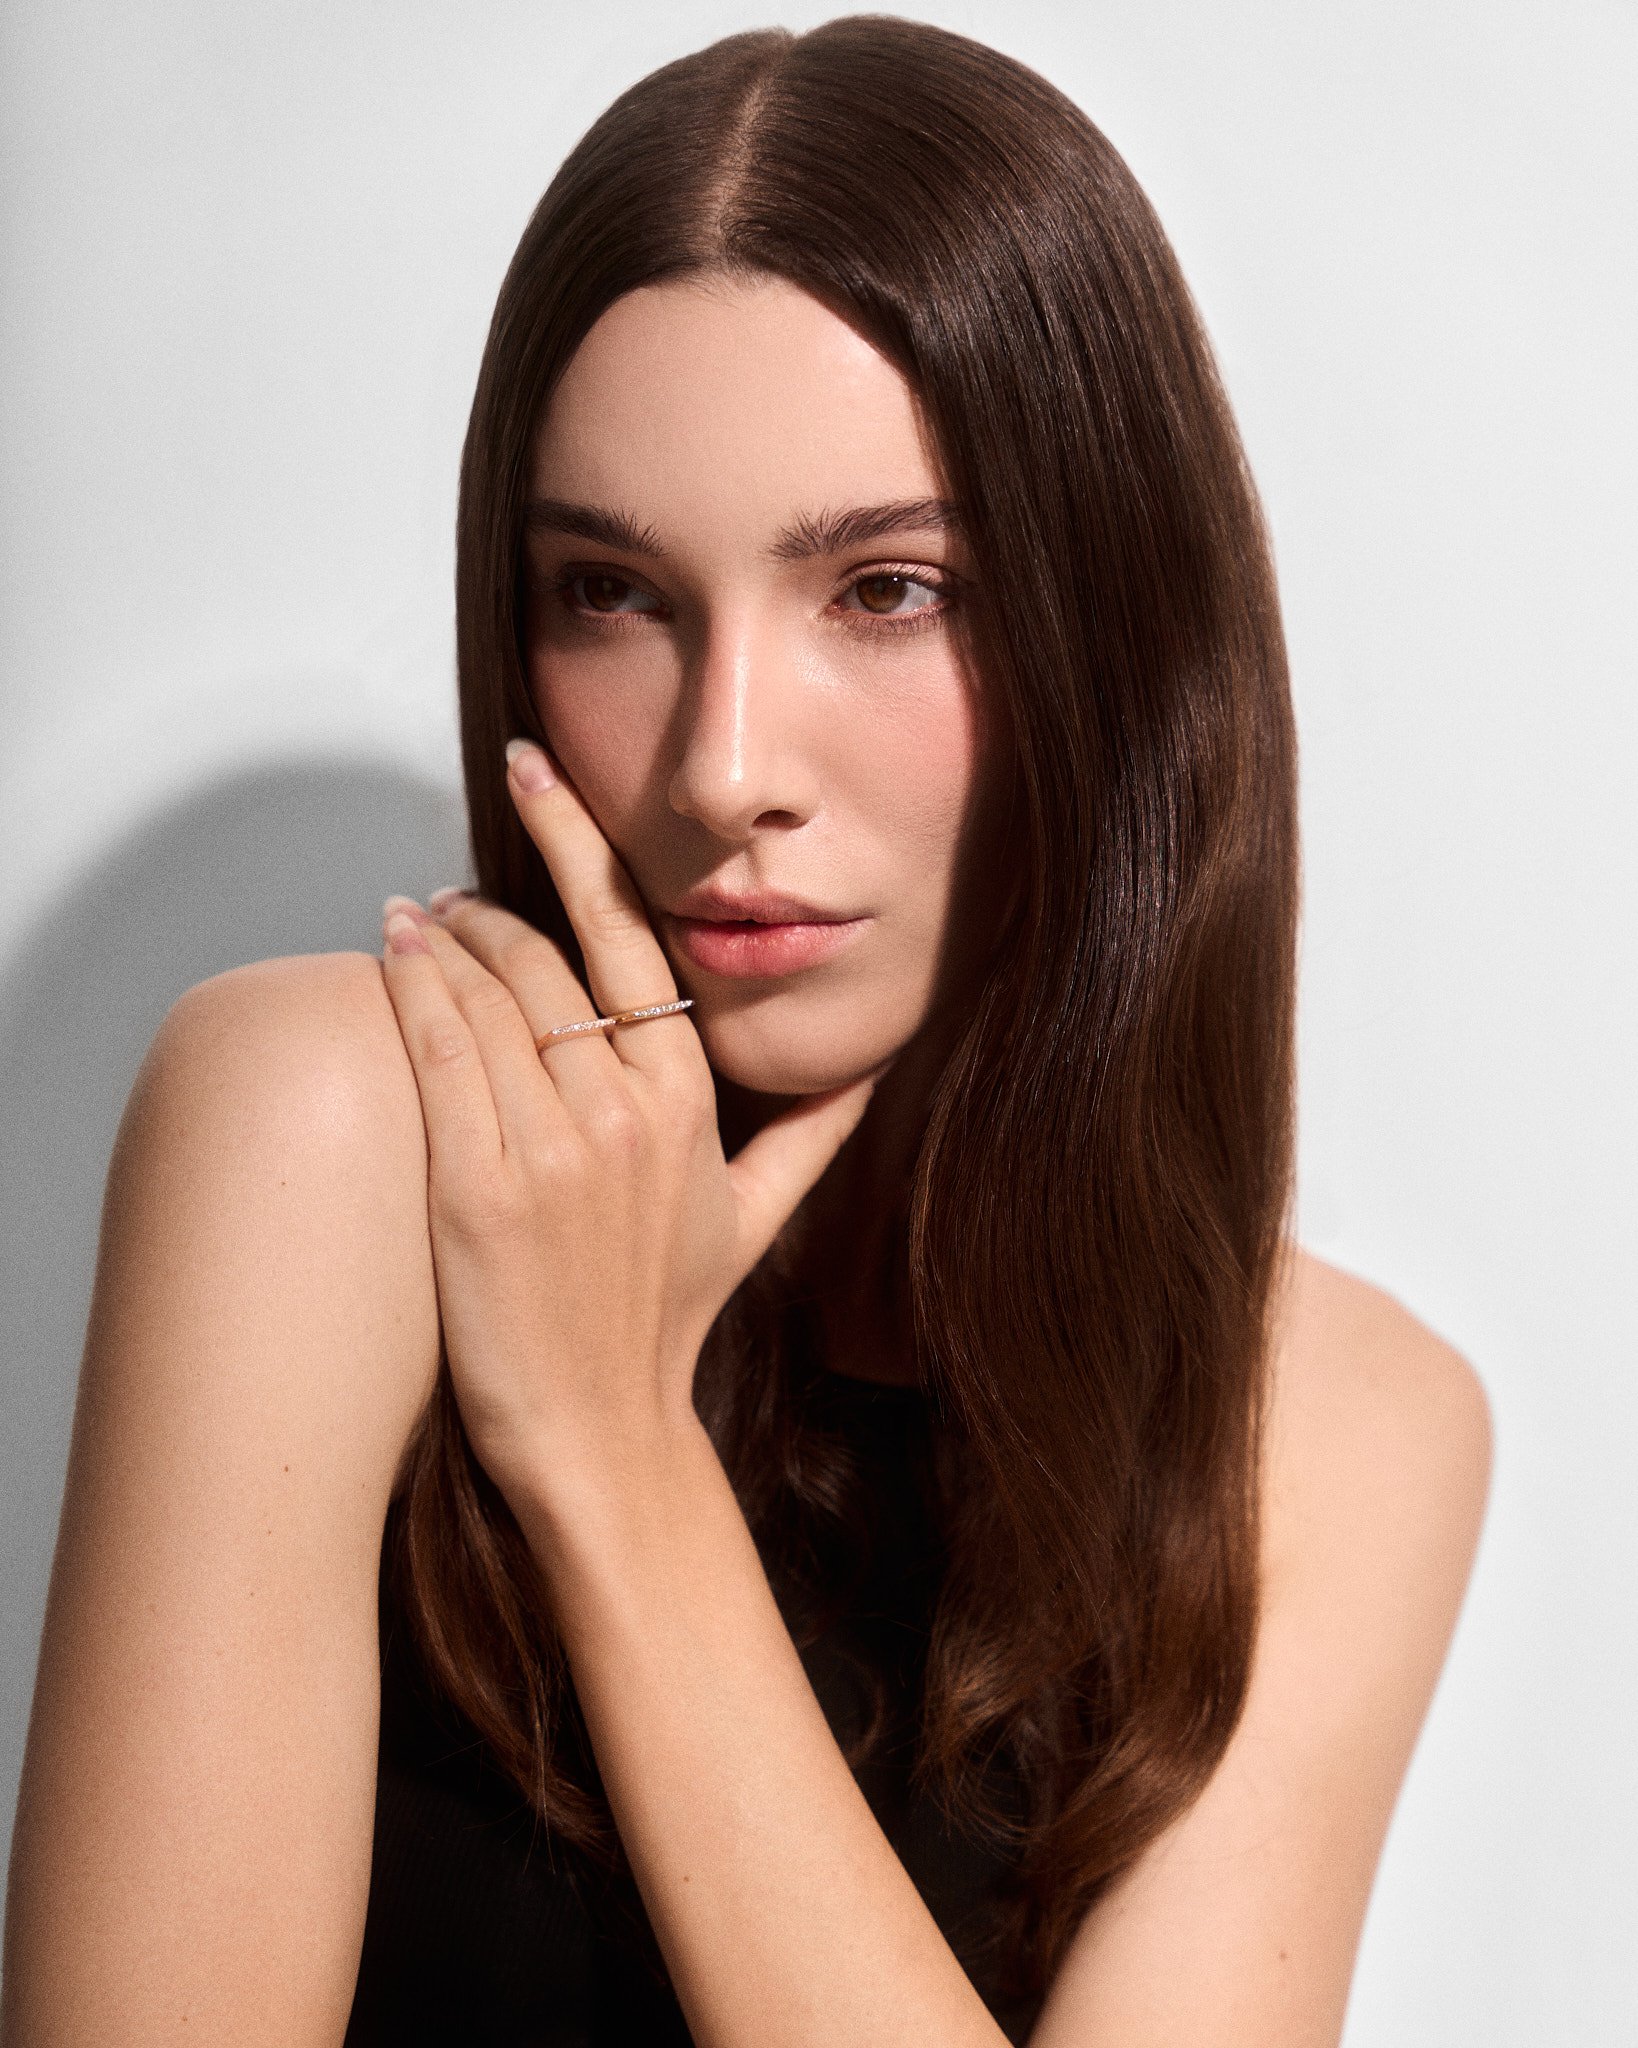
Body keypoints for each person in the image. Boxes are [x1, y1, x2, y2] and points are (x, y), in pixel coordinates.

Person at [0, 17, 1492, 2046]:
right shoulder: (330, 1134)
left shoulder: (1325, 1427)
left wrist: (615, 1462)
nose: (719, 768)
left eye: (885, 589)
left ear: (1115, 636)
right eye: (610, 593)